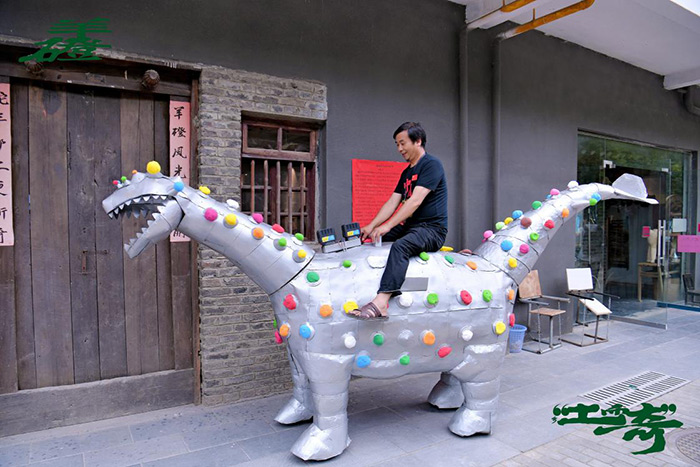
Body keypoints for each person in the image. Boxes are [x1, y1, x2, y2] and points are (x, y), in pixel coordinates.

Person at [348, 122, 448, 320]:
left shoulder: (432, 165)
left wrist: (388, 225)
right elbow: (392, 202)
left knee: (400, 246)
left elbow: (415, 201)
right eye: (397, 144)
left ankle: (381, 303)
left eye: (403, 143)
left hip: (432, 230)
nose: (399, 149)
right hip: (411, 227)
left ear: (418, 141)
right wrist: (372, 226)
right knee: (375, 238)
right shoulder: (407, 172)